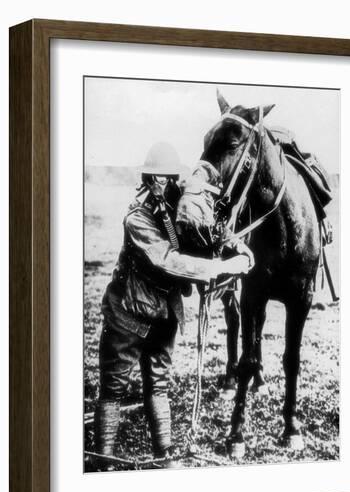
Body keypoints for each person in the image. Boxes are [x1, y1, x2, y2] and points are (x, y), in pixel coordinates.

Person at [92, 142, 254, 470]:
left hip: (164, 314)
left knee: (159, 382)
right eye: (158, 179)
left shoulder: (180, 206)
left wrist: (237, 246)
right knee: (114, 386)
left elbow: (207, 229)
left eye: (170, 179)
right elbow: (170, 260)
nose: (165, 186)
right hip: (128, 313)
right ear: (148, 180)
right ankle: (103, 459)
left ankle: (164, 454)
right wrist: (225, 267)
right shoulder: (137, 219)